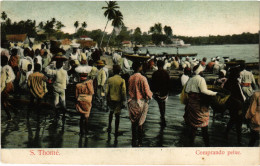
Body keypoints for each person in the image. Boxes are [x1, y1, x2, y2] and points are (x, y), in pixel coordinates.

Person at [184, 64, 219, 147]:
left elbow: (186, 90)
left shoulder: (191, 79)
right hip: (199, 104)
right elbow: (204, 91)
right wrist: (216, 93)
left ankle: (190, 145)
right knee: (204, 127)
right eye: (202, 71)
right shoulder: (201, 79)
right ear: (200, 72)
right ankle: (207, 145)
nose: (203, 72)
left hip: (192, 104)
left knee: (193, 127)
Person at [128, 61, 153, 147]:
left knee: (133, 123)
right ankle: (140, 142)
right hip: (141, 102)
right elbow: (147, 92)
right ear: (139, 67)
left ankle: (133, 140)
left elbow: (129, 90)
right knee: (140, 123)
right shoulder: (143, 78)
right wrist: (151, 96)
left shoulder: (130, 78)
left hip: (132, 102)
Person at [223, 66, 246, 145]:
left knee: (232, 119)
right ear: (235, 74)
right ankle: (239, 140)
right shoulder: (235, 83)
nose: (239, 74)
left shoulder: (228, 82)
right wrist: (243, 104)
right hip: (237, 105)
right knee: (238, 122)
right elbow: (239, 95)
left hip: (231, 105)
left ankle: (226, 133)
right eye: (238, 72)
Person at [106, 65, 127, 135]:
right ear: (120, 71)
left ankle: (109, 127)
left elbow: (107, 91)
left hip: (111, 99)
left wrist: (107, 98)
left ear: (113, 71)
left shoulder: (109, 79)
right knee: (117, 115)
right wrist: (124, 100)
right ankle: (116, 130)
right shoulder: (122, 80)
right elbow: (123, 91)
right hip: (118, 99)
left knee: (111, 113)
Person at [75, 68, 94, 135]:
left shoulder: (77, 85)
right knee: (86, 116)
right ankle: (86, 131)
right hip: (87, 100)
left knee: (81, 116)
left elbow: (76, 95)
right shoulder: (88, 84)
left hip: (80, 99)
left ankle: (81, 131)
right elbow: (91, 92)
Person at [151, 60, 170, 126]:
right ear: (163, 65)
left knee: (160, 104)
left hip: (157, 92)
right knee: (163, 104)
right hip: (164, 92)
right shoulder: (166, 73)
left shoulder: (155, 73)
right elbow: (168, 83)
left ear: (157, 65)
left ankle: (162, 116)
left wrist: (153, 92)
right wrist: (168, 92)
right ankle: (163, 116)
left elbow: (152, 84)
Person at [245, 77, 260, 146]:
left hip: (257, 121)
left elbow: (252, 110)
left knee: (253, 140)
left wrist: (247, 117)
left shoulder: (256, 94)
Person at [1, 55, 16, 120]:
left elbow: (2, 81)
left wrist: (1, 90)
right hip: (11, 85)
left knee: (3, 102)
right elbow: (13, 77)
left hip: (6, 86)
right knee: (5, 100)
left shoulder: (3, 69)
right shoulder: (9, 67)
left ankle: (9, 117)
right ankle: (15, 111)